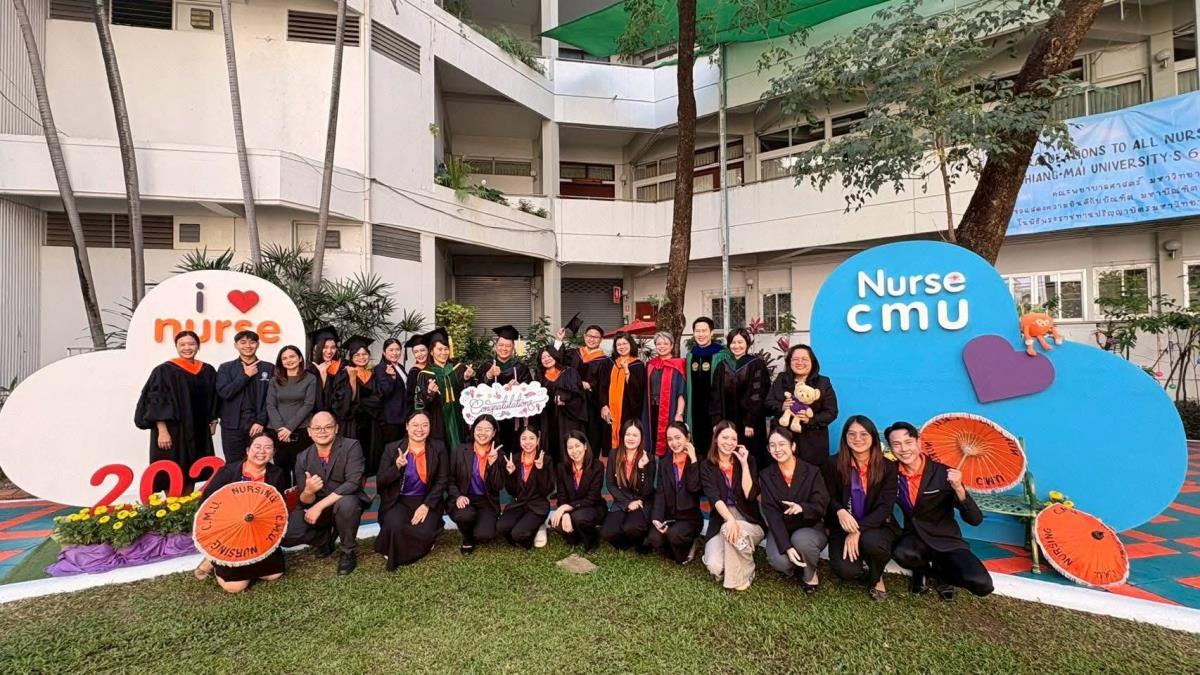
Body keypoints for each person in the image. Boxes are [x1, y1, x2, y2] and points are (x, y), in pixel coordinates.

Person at [885, 421, 994, 601]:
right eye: (896, 444)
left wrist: (959, 488)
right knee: (902, 553)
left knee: (982, 584)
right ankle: (920, 571)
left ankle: (941, 574)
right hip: (915, 537)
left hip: (946, 539)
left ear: (919, 443)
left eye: (908, 442)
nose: (903, 449)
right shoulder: (890, 474)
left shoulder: (944, 474)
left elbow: (975, 519)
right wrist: (896, 532)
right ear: (891, 448)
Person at [193, 435, 289, 593]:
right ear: (248, 450)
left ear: (273, 453)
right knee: (235, 587)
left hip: (258, 531)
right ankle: (212, 561)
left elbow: (278, 506)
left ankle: (248, 567)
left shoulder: (276, 474)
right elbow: (206, 503)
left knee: (274, 575)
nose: (262, 451)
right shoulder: (228, 472)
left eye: (267, 448)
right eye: (257, 447)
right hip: (229, 533)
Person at [282, 412, 370, 575]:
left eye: (328, 427)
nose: (322, 431)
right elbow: (305, 501)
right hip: (317, 503)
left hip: (344, 500)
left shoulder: (351, 446)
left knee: (348, 504)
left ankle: (348, 551)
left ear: (336, 428)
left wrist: (319, 507)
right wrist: (308, 491)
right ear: (309, 431)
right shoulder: (302, 457)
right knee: (287, 533)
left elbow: (353, 483)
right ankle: (325, 539)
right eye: (317, 428)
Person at [823, 415, 899, 602]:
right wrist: (839, 510)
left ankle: (876, 576)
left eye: (863, 434)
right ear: (845, 437)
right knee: (846, 571)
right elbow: (826, 495)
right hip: (842, 525)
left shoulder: (888, 467)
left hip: (876, 525)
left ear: (873, 437)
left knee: (873, 543)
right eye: (852, 434)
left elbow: (885, 506)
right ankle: (861, 562)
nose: (857, 439)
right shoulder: (833, 464)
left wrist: (858, 531)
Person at [134, 330, 219, 493]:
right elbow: (156, 401)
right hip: (172, 431)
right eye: (182, 344)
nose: (187, 348)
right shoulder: (164, 371)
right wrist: (162, 431)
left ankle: (186, 503)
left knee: (193, 468)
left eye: (191, 344)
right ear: (176, 347)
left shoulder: (207, 370)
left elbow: (214, 397)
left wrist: (213, 420)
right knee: (172, 469)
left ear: (198, 346)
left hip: (198, 430)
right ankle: (172, 504)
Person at [375, 410, 449, 569]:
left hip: (426, 499)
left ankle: (424, 542)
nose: (420, 429)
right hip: (399, 500)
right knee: (394, 525)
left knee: (423, 530)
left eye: (425, 425)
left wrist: (427, 505)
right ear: (407, 426)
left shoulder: (438, 447)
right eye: (415, 425)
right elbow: (380, 481)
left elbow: (442, 480)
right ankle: (396, 546)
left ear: (430, 427)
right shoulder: (392, 448)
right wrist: (396, 467)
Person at [760, 427, 829, 593]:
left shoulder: (811, 471)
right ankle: (795, 567)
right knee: (779, 560)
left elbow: (821, 504)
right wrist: (786, 547)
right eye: (772, 445)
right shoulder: (766, 475)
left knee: (802, 540)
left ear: (793, 446)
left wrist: (802, 507)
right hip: (782, 527)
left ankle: (810, 574)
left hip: (810, 526)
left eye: (782, 444)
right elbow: (772, 514)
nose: (777, 449)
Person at [700, 421, 764, 591]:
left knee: (732, 534)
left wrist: (744, 464)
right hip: (722, 518)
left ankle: (744, 573)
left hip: (748, 520)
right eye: (724, 437)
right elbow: (715, 498)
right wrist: (730, 520)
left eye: (733, 439)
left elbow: (750, 494)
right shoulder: (707, 466)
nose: (729, 442)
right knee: (715, 566)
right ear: (716, 439)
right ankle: (737, 553)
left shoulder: (748, 460)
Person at [766, 344, 839, 468]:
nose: (800, 362)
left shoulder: (823, 383)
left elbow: (831, 412)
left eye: (804, 359)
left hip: (812, 442)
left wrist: (810, 419)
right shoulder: (781, 379)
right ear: (789, 362)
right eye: (795, 359)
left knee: (812, 475)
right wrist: (782, 406)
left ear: (812, 362)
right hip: (783, 439)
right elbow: (768, 403)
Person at [710, 327, 771, 469]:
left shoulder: (756, 364)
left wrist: (750, 421)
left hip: (749, 423)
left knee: (751, 454)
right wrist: (717, 420)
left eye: (740, 342)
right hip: (727, 419)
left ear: (747, 343)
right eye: (733, 342)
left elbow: (758, 394)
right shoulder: (722, 366)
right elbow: (715, 395)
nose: (736, 346)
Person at [448, 415, 505, 555]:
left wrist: (492, 464)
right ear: (473, 430)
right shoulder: (460, 451)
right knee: (465, 515)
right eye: (479, 429)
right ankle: (467, 538)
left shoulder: (499, 455)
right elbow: (449, 479)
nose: (482, 433)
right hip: (464, 497)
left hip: (486, 501)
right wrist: (458, 496)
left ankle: (477, 526)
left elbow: (498, 486)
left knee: (485, 535)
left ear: (494, 433)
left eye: (488, 429)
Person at [214, 330, 274, 465]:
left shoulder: (268, 368)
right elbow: (225, 393)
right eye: (243, 342)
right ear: (236, 345)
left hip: (259, 425)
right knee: (233, 465)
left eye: (252, 342)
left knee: (260, 463)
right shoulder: (226, 368)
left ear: (258, 344)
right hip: (232, 426)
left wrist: (261, 421)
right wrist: (245, 376)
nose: (248, 346)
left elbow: (272, 398)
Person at [648, 421, 703, 565]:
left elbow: (695, 488)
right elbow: (660, 493)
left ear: (687, 437)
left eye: (678, 437)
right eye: (670, 439)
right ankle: (675, 545)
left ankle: (691, 542)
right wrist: (657, 518)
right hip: (670, 516)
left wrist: (693, 460)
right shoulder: (665, 462)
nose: (674, 443)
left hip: (689, 518)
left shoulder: (699, 460)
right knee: (654, 538)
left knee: (675, 538)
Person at [413, 328, 474, 449]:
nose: (444, 352)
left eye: (446, 349)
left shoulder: (459, 369)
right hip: (438, 422)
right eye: (440, 349)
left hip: (460, 419)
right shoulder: (425, 374)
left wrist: (467, 379)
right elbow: (419, 404)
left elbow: (470, 395)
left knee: (462, 450)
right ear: (431, 352)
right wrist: (429, 393)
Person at [601, 419, 655, 551]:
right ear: (623, 435)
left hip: (641, 501)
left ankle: (642, 544)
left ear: (641, 438)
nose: (631, 438)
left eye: (635, 435)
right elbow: (610, 484)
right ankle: (626, 544)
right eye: (628, 434)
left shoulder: (648, 458)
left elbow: (647, 491)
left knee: (632, 528)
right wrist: (627, 503)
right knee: (607, 532)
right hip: (622, 500)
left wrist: (642, 468)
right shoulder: (614, 454)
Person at [478, 325, 532, 455]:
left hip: (514, 421)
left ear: (513, 348)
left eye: (508, 346)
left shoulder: (520, 368)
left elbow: (530, 392)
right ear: (495, 347)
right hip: (492, 419)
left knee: (513, 451)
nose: (504, 349)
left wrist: (520, 387)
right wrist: (489, 375)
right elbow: (477, 390)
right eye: (501, 345)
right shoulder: (486, 366)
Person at [558, 324, 611, 454]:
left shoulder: (605, 361)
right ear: (584, 336)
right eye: (589, 336)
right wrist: (559, 340)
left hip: (592, 403)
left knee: (592, 435)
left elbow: (605, 384)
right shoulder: (574, 353)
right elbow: (557, 360)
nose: (591, 339)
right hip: (573, 403)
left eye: (595, 337)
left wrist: (591, 386)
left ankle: (591, 463)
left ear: (601, 339)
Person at [266, 345, 318, 477]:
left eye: (292, 356)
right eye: (284, 358)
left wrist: (289, 428)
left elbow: (308, 404)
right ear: (281, 362)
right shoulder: (274, 380)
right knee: (280, 470)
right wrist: (280, 429)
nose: (289, 360)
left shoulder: (310, 378)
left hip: (301, 431)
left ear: (300, 358)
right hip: (278, 432)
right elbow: (270, 405)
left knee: (300, 470)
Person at [498, 426, 554, 549]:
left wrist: (540, 470)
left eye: (531, 438)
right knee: (501, 527)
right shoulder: (514, 459)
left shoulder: (546, 459)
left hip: (537, 506)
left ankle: (536, 527)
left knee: (517, 534)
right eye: (524, 438)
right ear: (519, 440)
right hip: (520, 504)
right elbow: (512, 491)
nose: (528, 442)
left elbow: (547, 490)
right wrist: (511, 474)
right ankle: (529, 526)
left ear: (538, 440)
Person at [550, 430, 605, 553]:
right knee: (555, 521)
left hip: (592, 507)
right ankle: (576, 538)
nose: (574, 451)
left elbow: (592, 498)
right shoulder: (561, 467)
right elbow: (562, 496)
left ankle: (592, 541)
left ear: (585, 446)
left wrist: (566, 507)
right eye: (570, 448)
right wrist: (565, 514)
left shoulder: (597, 466)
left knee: (579, 517)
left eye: (577, 446)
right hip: (572, 508)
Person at [685, 317, 732, 455]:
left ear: (711, 333)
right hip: (694, 407)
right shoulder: (691, 355)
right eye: (697, 331)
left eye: (704, 331)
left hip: (714, 408)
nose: (701, 334)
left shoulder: (721, 355)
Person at [534, 346, 586, 463]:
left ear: (555, 356)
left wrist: (566, 400)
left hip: (567, 419)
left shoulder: (569, 372)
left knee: (567, 447)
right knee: (551, 448)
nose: (546, 359)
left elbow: (579, 396)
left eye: (549, 356)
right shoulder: (540, 377)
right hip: (548, 420)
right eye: (543, 357)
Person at [599, 332, 646, 459]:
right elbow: (602, 386)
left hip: (628, 411)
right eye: (618, 344)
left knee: (626, 438)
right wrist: (604, 405)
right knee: (609, 443)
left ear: (631, 345)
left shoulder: (638, 365)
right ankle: (611, 466)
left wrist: (626, 372)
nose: (622, 346)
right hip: (609, 411)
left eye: (625, 343)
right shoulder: (609, 363)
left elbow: (638, 391)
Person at [644, 331, 687, 457]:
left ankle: (667, 466)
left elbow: (681, 391)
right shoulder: (651, 365)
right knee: (651, 437)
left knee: (669, 437)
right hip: (651, 410)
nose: (662, 346)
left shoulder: (678, 364)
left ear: (672, 345)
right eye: (658, 344)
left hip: (670, 408)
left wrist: (679, 413)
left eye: (665, 343)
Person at [343, 336, 381, 470]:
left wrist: (359, 402)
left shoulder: (373, 375)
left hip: (371, 423)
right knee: (353, 459)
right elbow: (345, 400)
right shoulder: (345, 374)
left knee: (368, 459)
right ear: (351, 357)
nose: (361, 357)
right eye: (357, 355)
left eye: (364, 354)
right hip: (352, 423)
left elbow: (379, 398)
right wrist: (353, 380)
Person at [372, 337, 409, 469]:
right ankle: (388, 475)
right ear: (384, 352)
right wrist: (391, 378)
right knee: (391, 450)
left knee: (401, 449)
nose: (395, 353)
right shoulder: (380, 368)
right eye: (391, 350)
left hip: (402, 415)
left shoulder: (400, 367)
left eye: (397, 349)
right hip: (390, 418)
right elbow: (384, 392)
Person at [307, 326, 353, 432]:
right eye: (325, 347)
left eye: (333, 347)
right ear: (316, 347)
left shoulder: (343, 366)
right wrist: (323, 376)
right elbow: (312, 401)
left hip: (339, 420)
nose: (329, 351)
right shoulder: (311, 369)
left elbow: (344, 397)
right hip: (318, 422)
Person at [404, 332, 428, 410]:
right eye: (416, 352)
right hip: (422, 410)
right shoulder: (414, 372)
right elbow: (410, 397)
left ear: (428, 350)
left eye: (422, 350)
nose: (419, 354)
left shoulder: (434, 367)